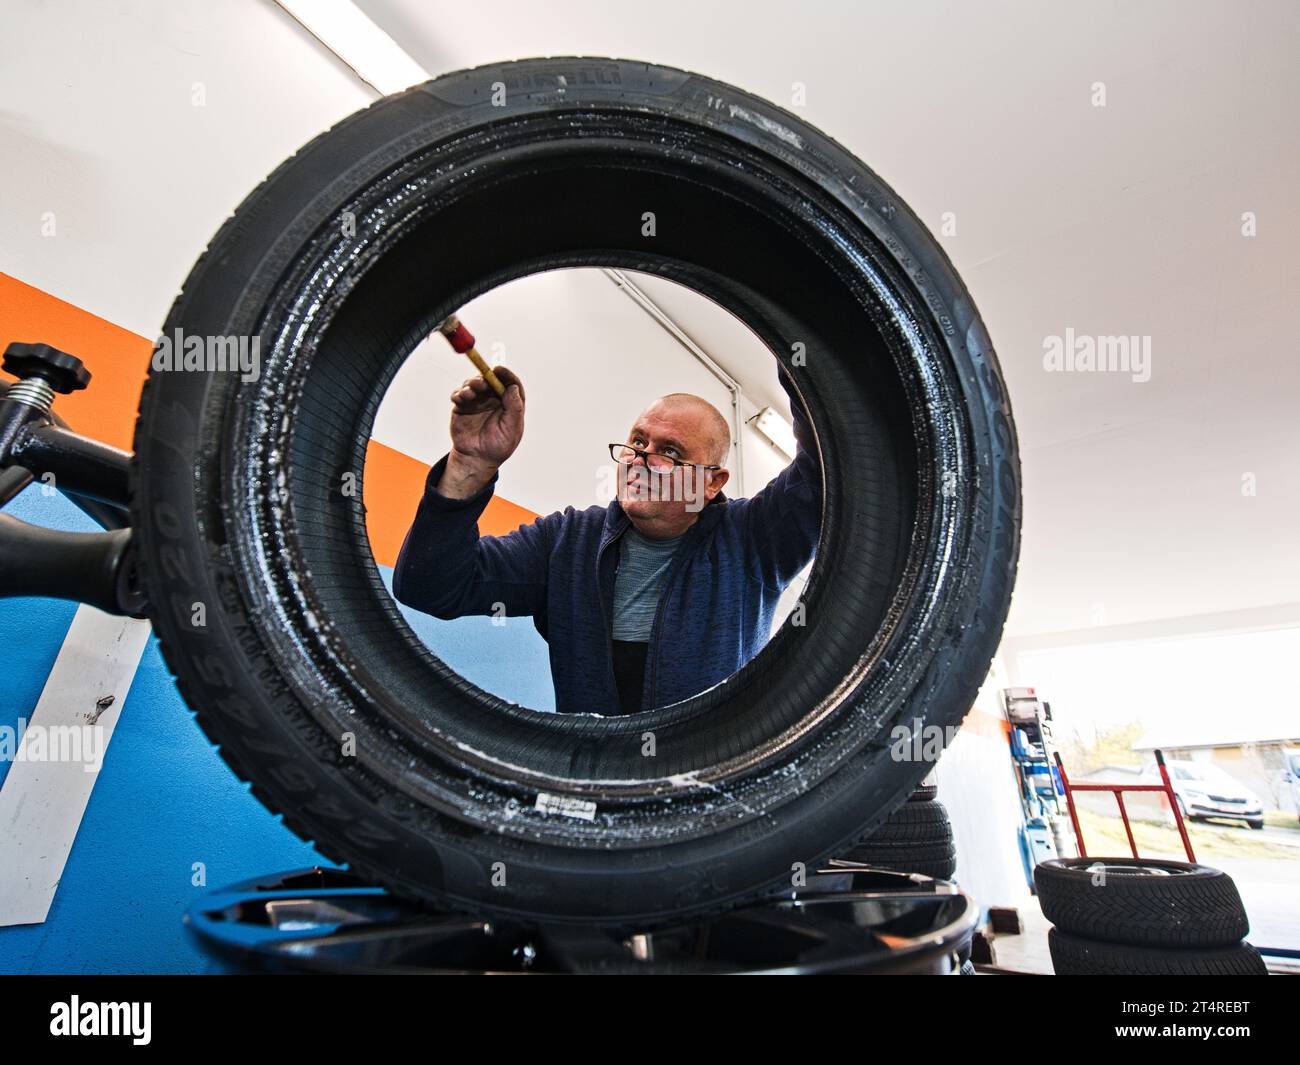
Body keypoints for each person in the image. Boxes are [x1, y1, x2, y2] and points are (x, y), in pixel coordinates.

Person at [392, 363, 821, 715]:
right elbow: (430, 588)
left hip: (715, 788)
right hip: (595, 792)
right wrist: (471, 464)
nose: (641, 460)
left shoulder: (755, 540)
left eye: (670, 452)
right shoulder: (566, 541)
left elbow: (825, 460)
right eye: (638, 441)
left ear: (713, 483)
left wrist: (790, 334)